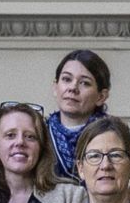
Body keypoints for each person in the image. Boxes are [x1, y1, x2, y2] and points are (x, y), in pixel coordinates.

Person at [0, 102, 86, 203]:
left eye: (30, 136)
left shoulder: (71, 197)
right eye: (10, 135)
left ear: (41, 147)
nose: (20, 142)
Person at [48, 48, 112, 180]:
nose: (73, 88)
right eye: (66, 79)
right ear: (55, 87)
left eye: (84, 83)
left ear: (101, 96)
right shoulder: (39, 135)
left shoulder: (114, 137)